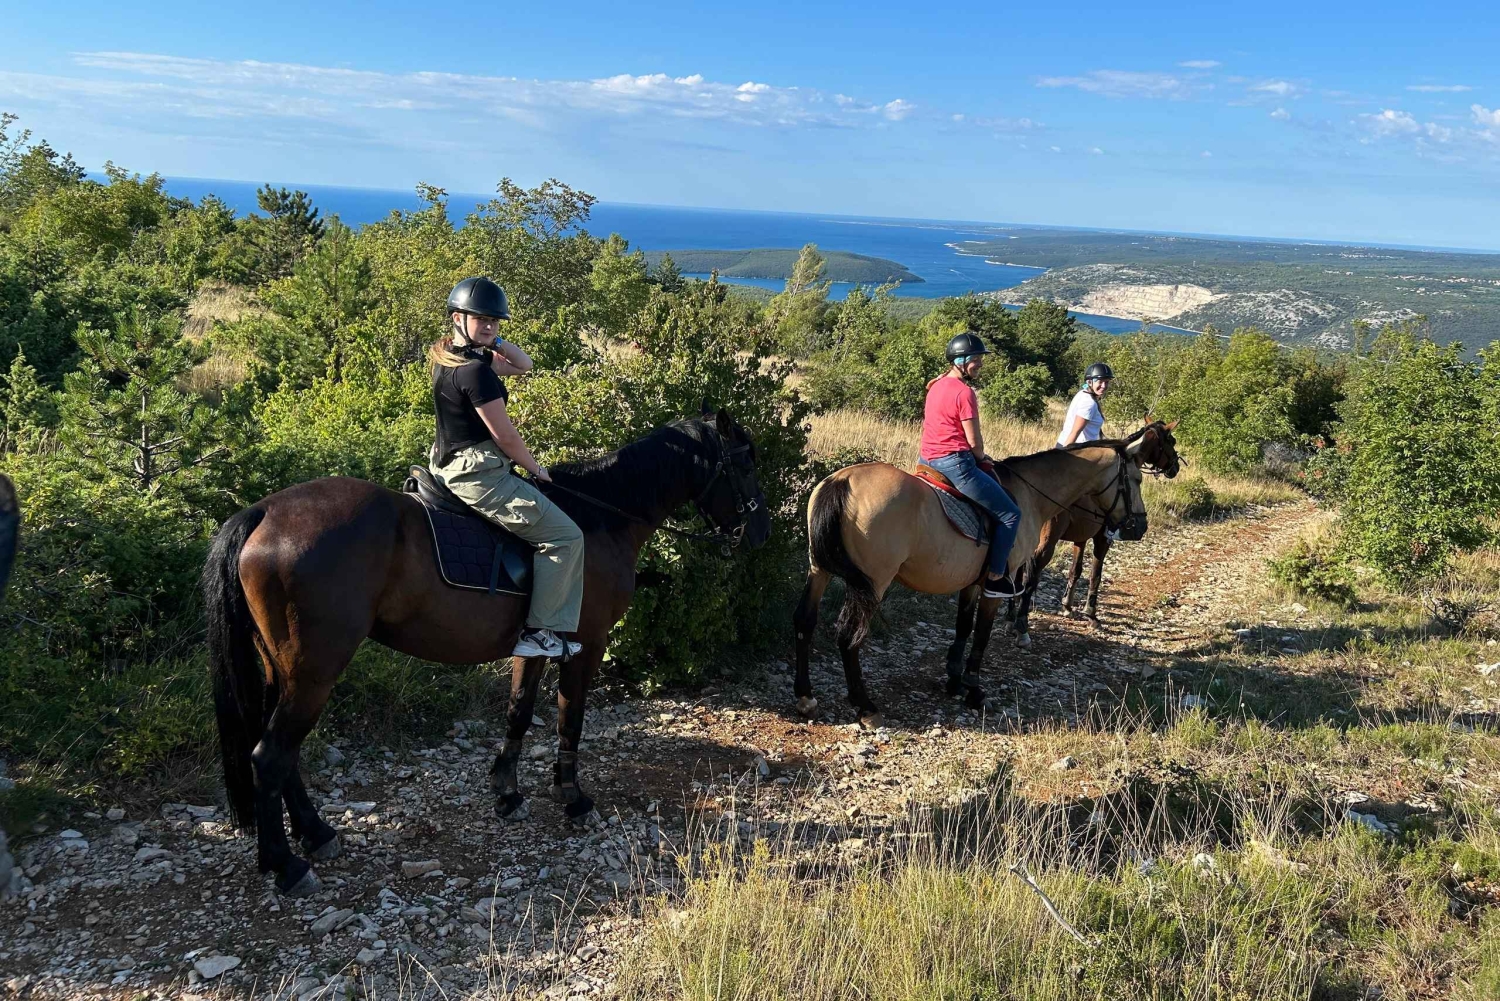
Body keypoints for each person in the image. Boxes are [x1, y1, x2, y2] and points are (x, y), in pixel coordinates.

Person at [428, 277, 585, 659]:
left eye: (495, 322)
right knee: (566, 537)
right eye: (480, 319)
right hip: (478, 473)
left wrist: (492, 342)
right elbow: (506, 438)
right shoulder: (475, 372)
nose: (489, 326)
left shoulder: (451, 357)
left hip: (447, 460)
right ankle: (539, 633)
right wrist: (535, 469)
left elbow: (524, 365)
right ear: (456, 318)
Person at [919, 332, 1022, 598]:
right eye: (976, 358)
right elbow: (975, 443)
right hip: (956, 465)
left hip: (926, 461)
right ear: (961, 360)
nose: (981, 363)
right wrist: (981, 457)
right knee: (1011, 514)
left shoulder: (936, 385)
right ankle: (996, 578)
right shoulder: (965, 393)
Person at [1057, 362, 1112, 447]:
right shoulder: (1089, 403)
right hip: (1077, 452)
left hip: (1074, 448)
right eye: (1100, 382)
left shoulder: (1083, 393)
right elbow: (1075, 432)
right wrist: (1062, 456)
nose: (1104, 386)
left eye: (1107, 382)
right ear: (1089, 382)